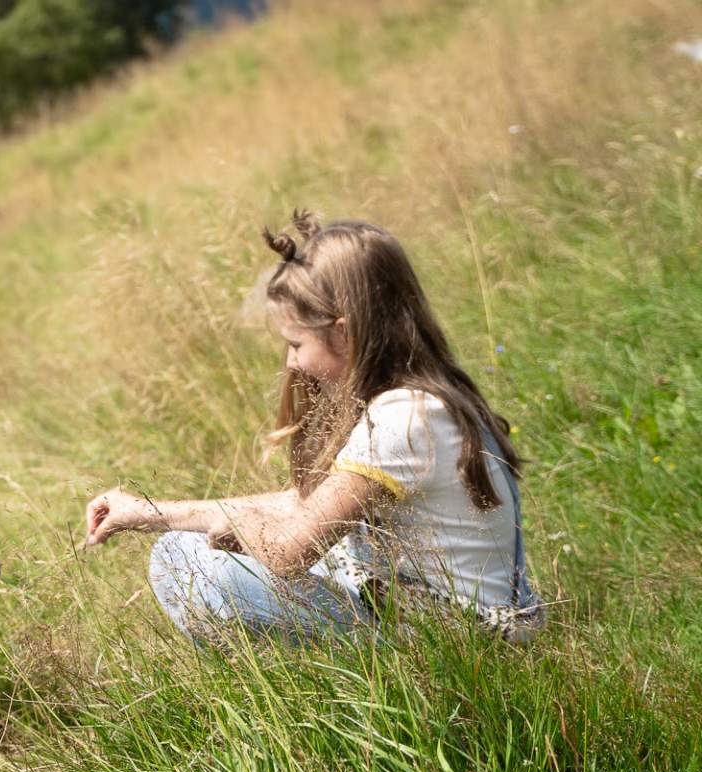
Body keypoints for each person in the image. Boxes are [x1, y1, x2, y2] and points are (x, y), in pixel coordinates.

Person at [81, 210, 544, 644]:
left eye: (295, 343)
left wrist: (240, 523)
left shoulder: (402, 419)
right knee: (186, 542)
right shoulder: (427, 399)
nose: (290, 362)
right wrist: (148, 513)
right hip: (455, 618)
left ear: (344, 332)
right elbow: (306, 506)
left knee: (183, 560)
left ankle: (304, 696)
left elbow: (289, 551)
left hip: (460, 640)